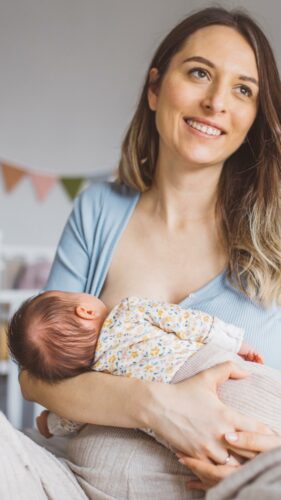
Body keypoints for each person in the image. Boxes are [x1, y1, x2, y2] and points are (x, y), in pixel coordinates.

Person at [5, 6, 281, 498]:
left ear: (255, 117)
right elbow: (36, 378)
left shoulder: (276, 237)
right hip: (69, 481)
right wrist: (157, 406)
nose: (217, 101)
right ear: (155, 89)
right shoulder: (99, 209)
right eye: (200, 73)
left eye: (243, 89)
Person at [11, 290, 278, 444]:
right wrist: (236, 343)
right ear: (85, 311)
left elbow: (73, 417)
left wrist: (50, 424)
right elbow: (189, 323)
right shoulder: (129, 311)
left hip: (185, 435)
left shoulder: (98, 380)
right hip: (212, 372)